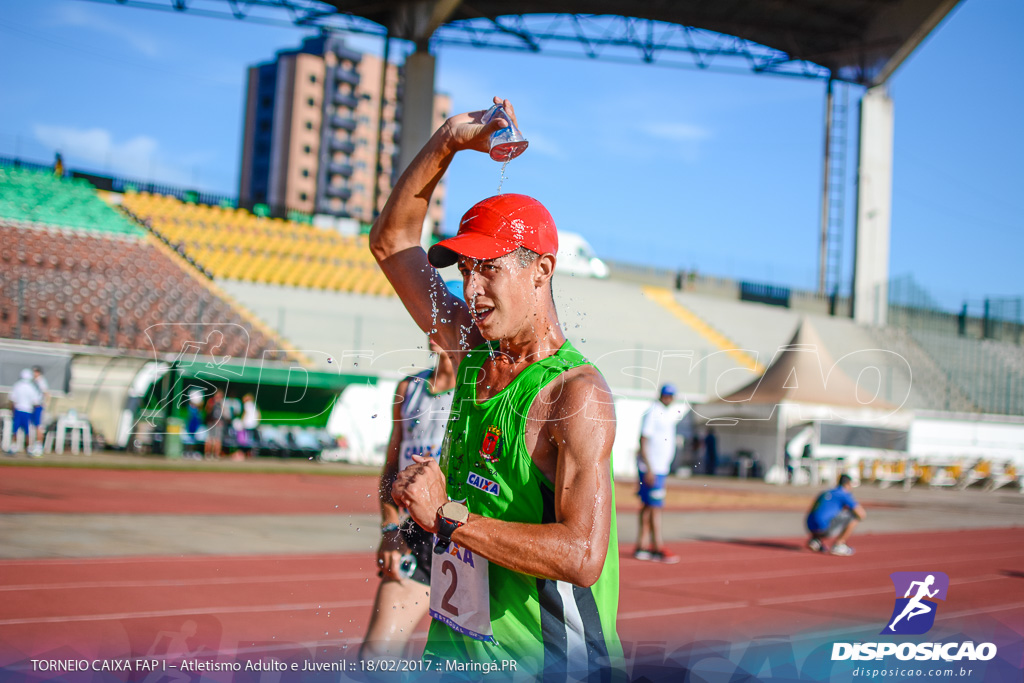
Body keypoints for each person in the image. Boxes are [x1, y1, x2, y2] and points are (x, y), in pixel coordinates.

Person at [371, 97, 623, 678]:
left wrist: (447, 519)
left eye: (489, 267)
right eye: (463, 270)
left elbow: (583, 556)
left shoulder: (574, 395)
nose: (472, 288)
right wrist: (449, 141)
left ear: (542, 269)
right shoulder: (471, 345)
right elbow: (391, 242)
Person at [361, 336, 456, 662]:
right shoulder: (408, 388)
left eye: (441, 320)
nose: (431, 331)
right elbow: (391, 467)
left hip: (464, 538)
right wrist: (390, 530)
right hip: (415, 534)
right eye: (428, 322)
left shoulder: (479, 391)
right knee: (375, 655)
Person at [634, 384, 681, 563]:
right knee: (655, 507)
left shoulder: (668, 413)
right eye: (666, 395)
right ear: (661, 395)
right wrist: (649, 468)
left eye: (671, 395)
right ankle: (657, 546)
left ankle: (642, 545)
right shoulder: (653, 412)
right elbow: (644, 439)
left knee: (647, 506)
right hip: (652, 469)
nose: (668, 398)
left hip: (660, 468)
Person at [806, 473, 866, 556]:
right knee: (853, 517)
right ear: (847, 484)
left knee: (824, 515)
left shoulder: (826, 492)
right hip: (824, 527)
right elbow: (861, 514)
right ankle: (839, 544)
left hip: (810, 525)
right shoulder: (844, 494)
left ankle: (815, 541)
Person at [7, 369, 41, 456]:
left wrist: (12, 411)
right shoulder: (32, 387)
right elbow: (36, 402)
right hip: (28, 411)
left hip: (18, 410)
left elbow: (12, 400)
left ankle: (13, 447)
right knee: (28, 431)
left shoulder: (17, 386)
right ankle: (29, 448)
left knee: (15, 430)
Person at [30, 366, 49, 456]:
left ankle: (39, 446)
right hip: (34, 406)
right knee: (34, 426)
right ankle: (34, 445)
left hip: (39, 406)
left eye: (35, 372)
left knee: (38, 426)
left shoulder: (41, 381)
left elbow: (46, 393)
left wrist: (44, 404)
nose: (34, 374)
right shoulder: (34, 381)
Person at [203, 390, 225, 460]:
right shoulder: (211, 401)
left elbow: (224, 413)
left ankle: (216, 455)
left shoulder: (222, 403)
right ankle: (208, 454)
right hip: (211, 423)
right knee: (210, 439)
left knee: (217, 440)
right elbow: (207, 410)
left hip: (219, 424)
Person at [239, 393, 261, 458]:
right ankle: (250, 453)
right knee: (252, 440)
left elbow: (244, 414)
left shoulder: (247, 404)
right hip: (253, 425)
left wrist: (242, 422)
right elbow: (259, 414)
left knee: (246, 440)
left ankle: (245, 453)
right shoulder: (255, 405)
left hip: (247, 425)